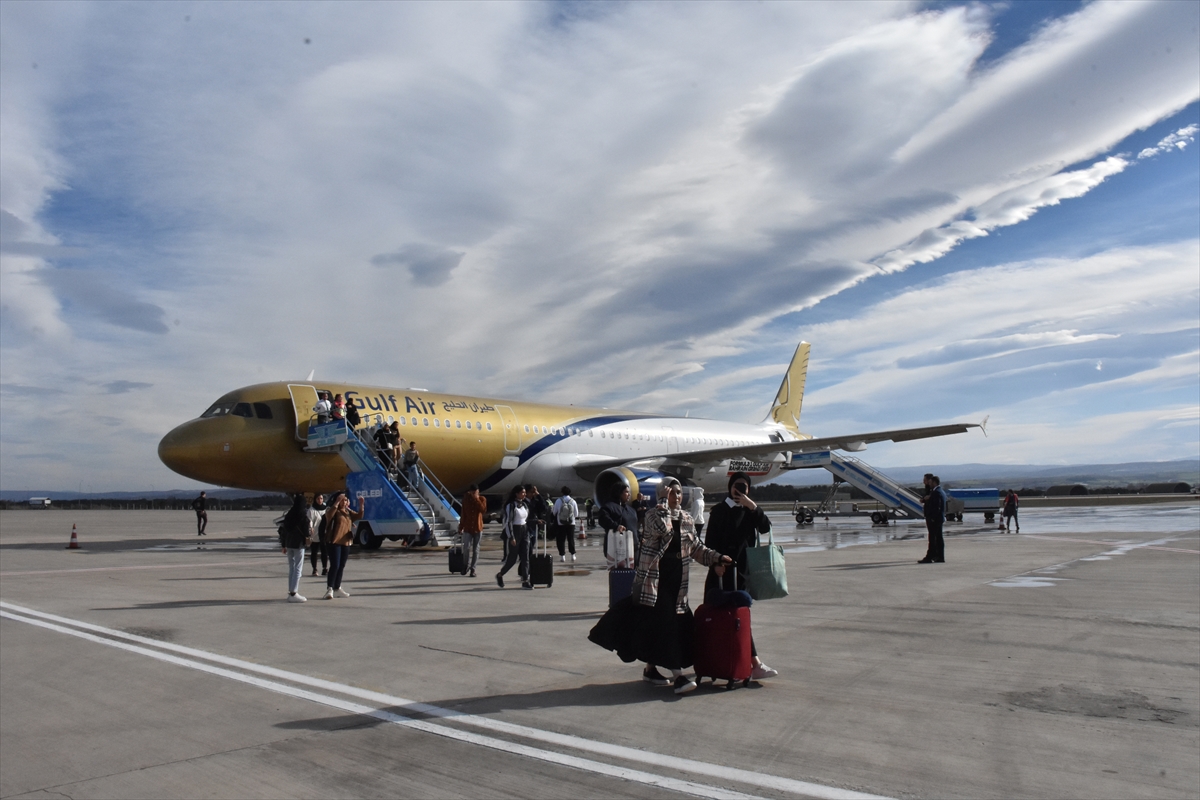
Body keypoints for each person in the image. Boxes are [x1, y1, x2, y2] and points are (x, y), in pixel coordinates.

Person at [588, 477, 732, 694]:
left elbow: (696, 548)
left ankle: (650, 670)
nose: (676, 496)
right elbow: (663, 530)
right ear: (662, 494)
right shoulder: (652, 515)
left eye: (679, 492)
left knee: (661, 626)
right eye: (671, 492)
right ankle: (678, 676)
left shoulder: (686, 518)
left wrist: (717, 558)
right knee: (668, 625)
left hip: (678, 580)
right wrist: (662, 502)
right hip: (655, 579)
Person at [703, 472, 779, 681]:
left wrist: (752, 506)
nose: (740, 490)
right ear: (730, 487)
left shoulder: (749, 511)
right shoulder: (719, 511)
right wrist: (715, 563)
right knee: (719, 618)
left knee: (740, 618)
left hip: (742, 573)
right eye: (737, 485)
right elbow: (709, 542)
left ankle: (752, 662)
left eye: (745, 486)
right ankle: (723, 660)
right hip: (721, 572)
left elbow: (765, 528)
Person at [323, 492, 364, 599]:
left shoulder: (348, 512)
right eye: (342, 500)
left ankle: (337, 587)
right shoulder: (333, 511)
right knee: (335, 565)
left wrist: (361, 505)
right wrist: (337, 502)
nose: (344, 502)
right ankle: (330, 588)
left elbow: (359, 515)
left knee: (341, 566)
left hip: (346, 542)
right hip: (334, 541)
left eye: (345, 500)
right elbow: (328, 515)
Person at [496, 485, 531, 589]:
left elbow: (525, 519)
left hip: (524, 531)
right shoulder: (511, 505)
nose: (524, 494)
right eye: (522, 492)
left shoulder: (525, 505)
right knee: (512, 559)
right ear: (516, 494)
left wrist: (536, 521)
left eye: (525, 492)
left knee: (525, 557)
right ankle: (500, 574)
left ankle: (525, 580)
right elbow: (508, 522)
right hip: (515, 532)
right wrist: (511, 537)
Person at [279, 494, 311, 603]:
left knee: (292, 568)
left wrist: (283, 545)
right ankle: (294, 592)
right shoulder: (303, 515)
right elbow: (306, 532)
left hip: (289, 544)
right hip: (299, 544)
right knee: (298, 568)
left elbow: (283, 531)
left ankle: (291, 591)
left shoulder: (289, 515)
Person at [599, 484, 639, 565]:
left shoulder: (631, 510)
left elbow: (634, 527)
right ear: (619, 493)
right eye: (626, 492)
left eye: (629, 492)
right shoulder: (609, 507)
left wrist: (640, 537)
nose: (629, 494)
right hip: (619, 549)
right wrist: (616, 526)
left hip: (633, 549)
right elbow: (603, 519)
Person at [458, 484, 487, 578]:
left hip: (478, 528)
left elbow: (483, 510)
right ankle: (465, 565)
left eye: (476, 492)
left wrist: (476, 499)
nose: (474, 494)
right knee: (466, 547)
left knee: (476, 549)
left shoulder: (482, 499)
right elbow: (463, 514)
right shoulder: (466, 500)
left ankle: (473, 568)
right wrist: (461, 526)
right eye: (472, 492)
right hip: (468, 528)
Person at [918, 474, 947, 563]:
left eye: (930, 482)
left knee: (933, 538)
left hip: (935, 520)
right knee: (938, 538)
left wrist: (932, 518)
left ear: (934, 482)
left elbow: (936, 507)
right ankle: (939, 556)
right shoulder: (940, 491)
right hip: (939, 519)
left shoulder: (936, 493)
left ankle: (930, 556)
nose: (929, 484)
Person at [551, 486, 579, 562]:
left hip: (561, 523)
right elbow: (576, 514)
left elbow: (554, 512)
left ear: (562, 492)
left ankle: (562, 556)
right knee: (571, 539)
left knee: (561, 539)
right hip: (571, 523)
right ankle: (573, 555)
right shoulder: (573, 501)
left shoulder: (558, 501)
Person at [525, 484, 550, 565]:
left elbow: (544, 507)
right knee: (527, 547)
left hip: (534, 526)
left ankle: (526, 564)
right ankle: (525, 565)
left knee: (531, 545)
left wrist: (538, 495)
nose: (532, 494)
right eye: (531, 492)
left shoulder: (535, 501)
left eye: (533, 492)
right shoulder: (523, 502)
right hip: (526, 526)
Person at [308, 493, 328, 576]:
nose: (320, 500)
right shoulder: (311, 510)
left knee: (324, 552)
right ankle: (314, 569)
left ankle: (325, 568)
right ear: (315, 500)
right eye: (318, 499)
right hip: (315, 533)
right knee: (314, 552)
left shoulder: (326, 509)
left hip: (324, 533)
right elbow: (310, 520)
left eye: (321, 498)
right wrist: (311, 528)